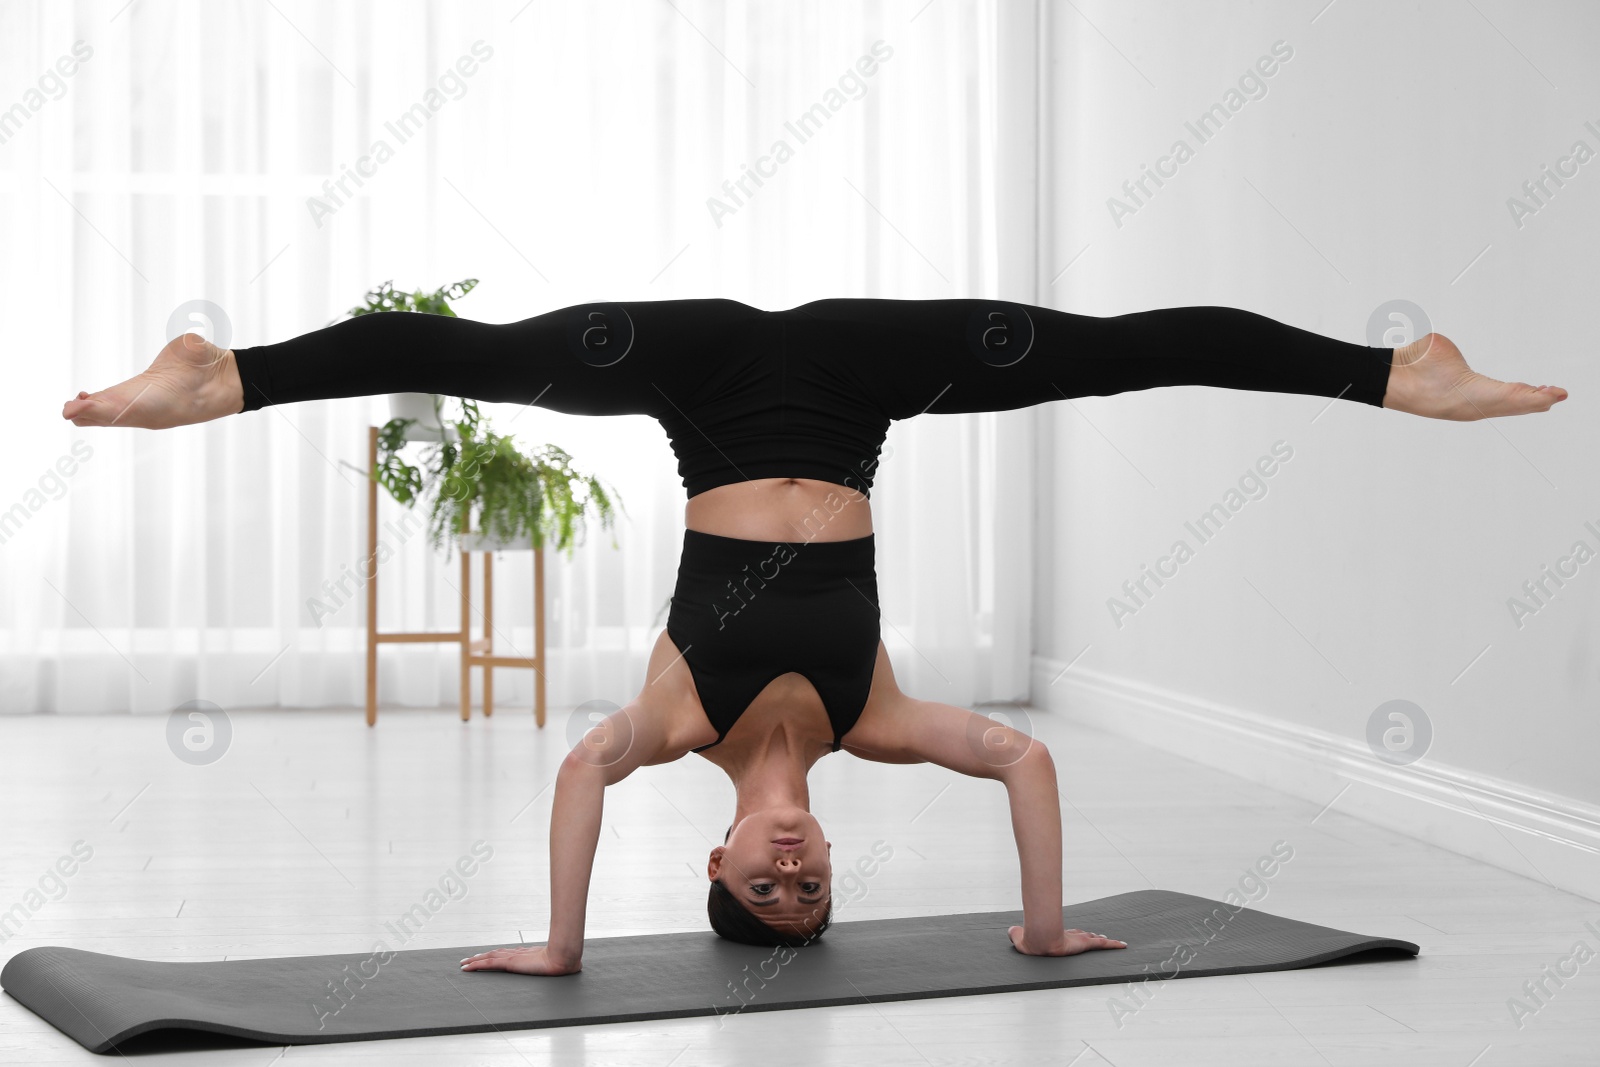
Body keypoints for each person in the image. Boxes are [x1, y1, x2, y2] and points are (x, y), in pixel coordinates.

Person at [62, 298, 1566, 976]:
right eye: (812, 899)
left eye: (764, 895)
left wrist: (567, 945)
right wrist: (1038, 928)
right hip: (860, 381)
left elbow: (583, 775)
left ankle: (222, 373)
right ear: (824, 865)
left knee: (499, 361)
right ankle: (1395, 373)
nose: (793, 875)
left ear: (716, 864)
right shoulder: (878, 720)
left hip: (699, 376)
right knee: (1112, 359)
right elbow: (1027, 758)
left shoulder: (672, 728)